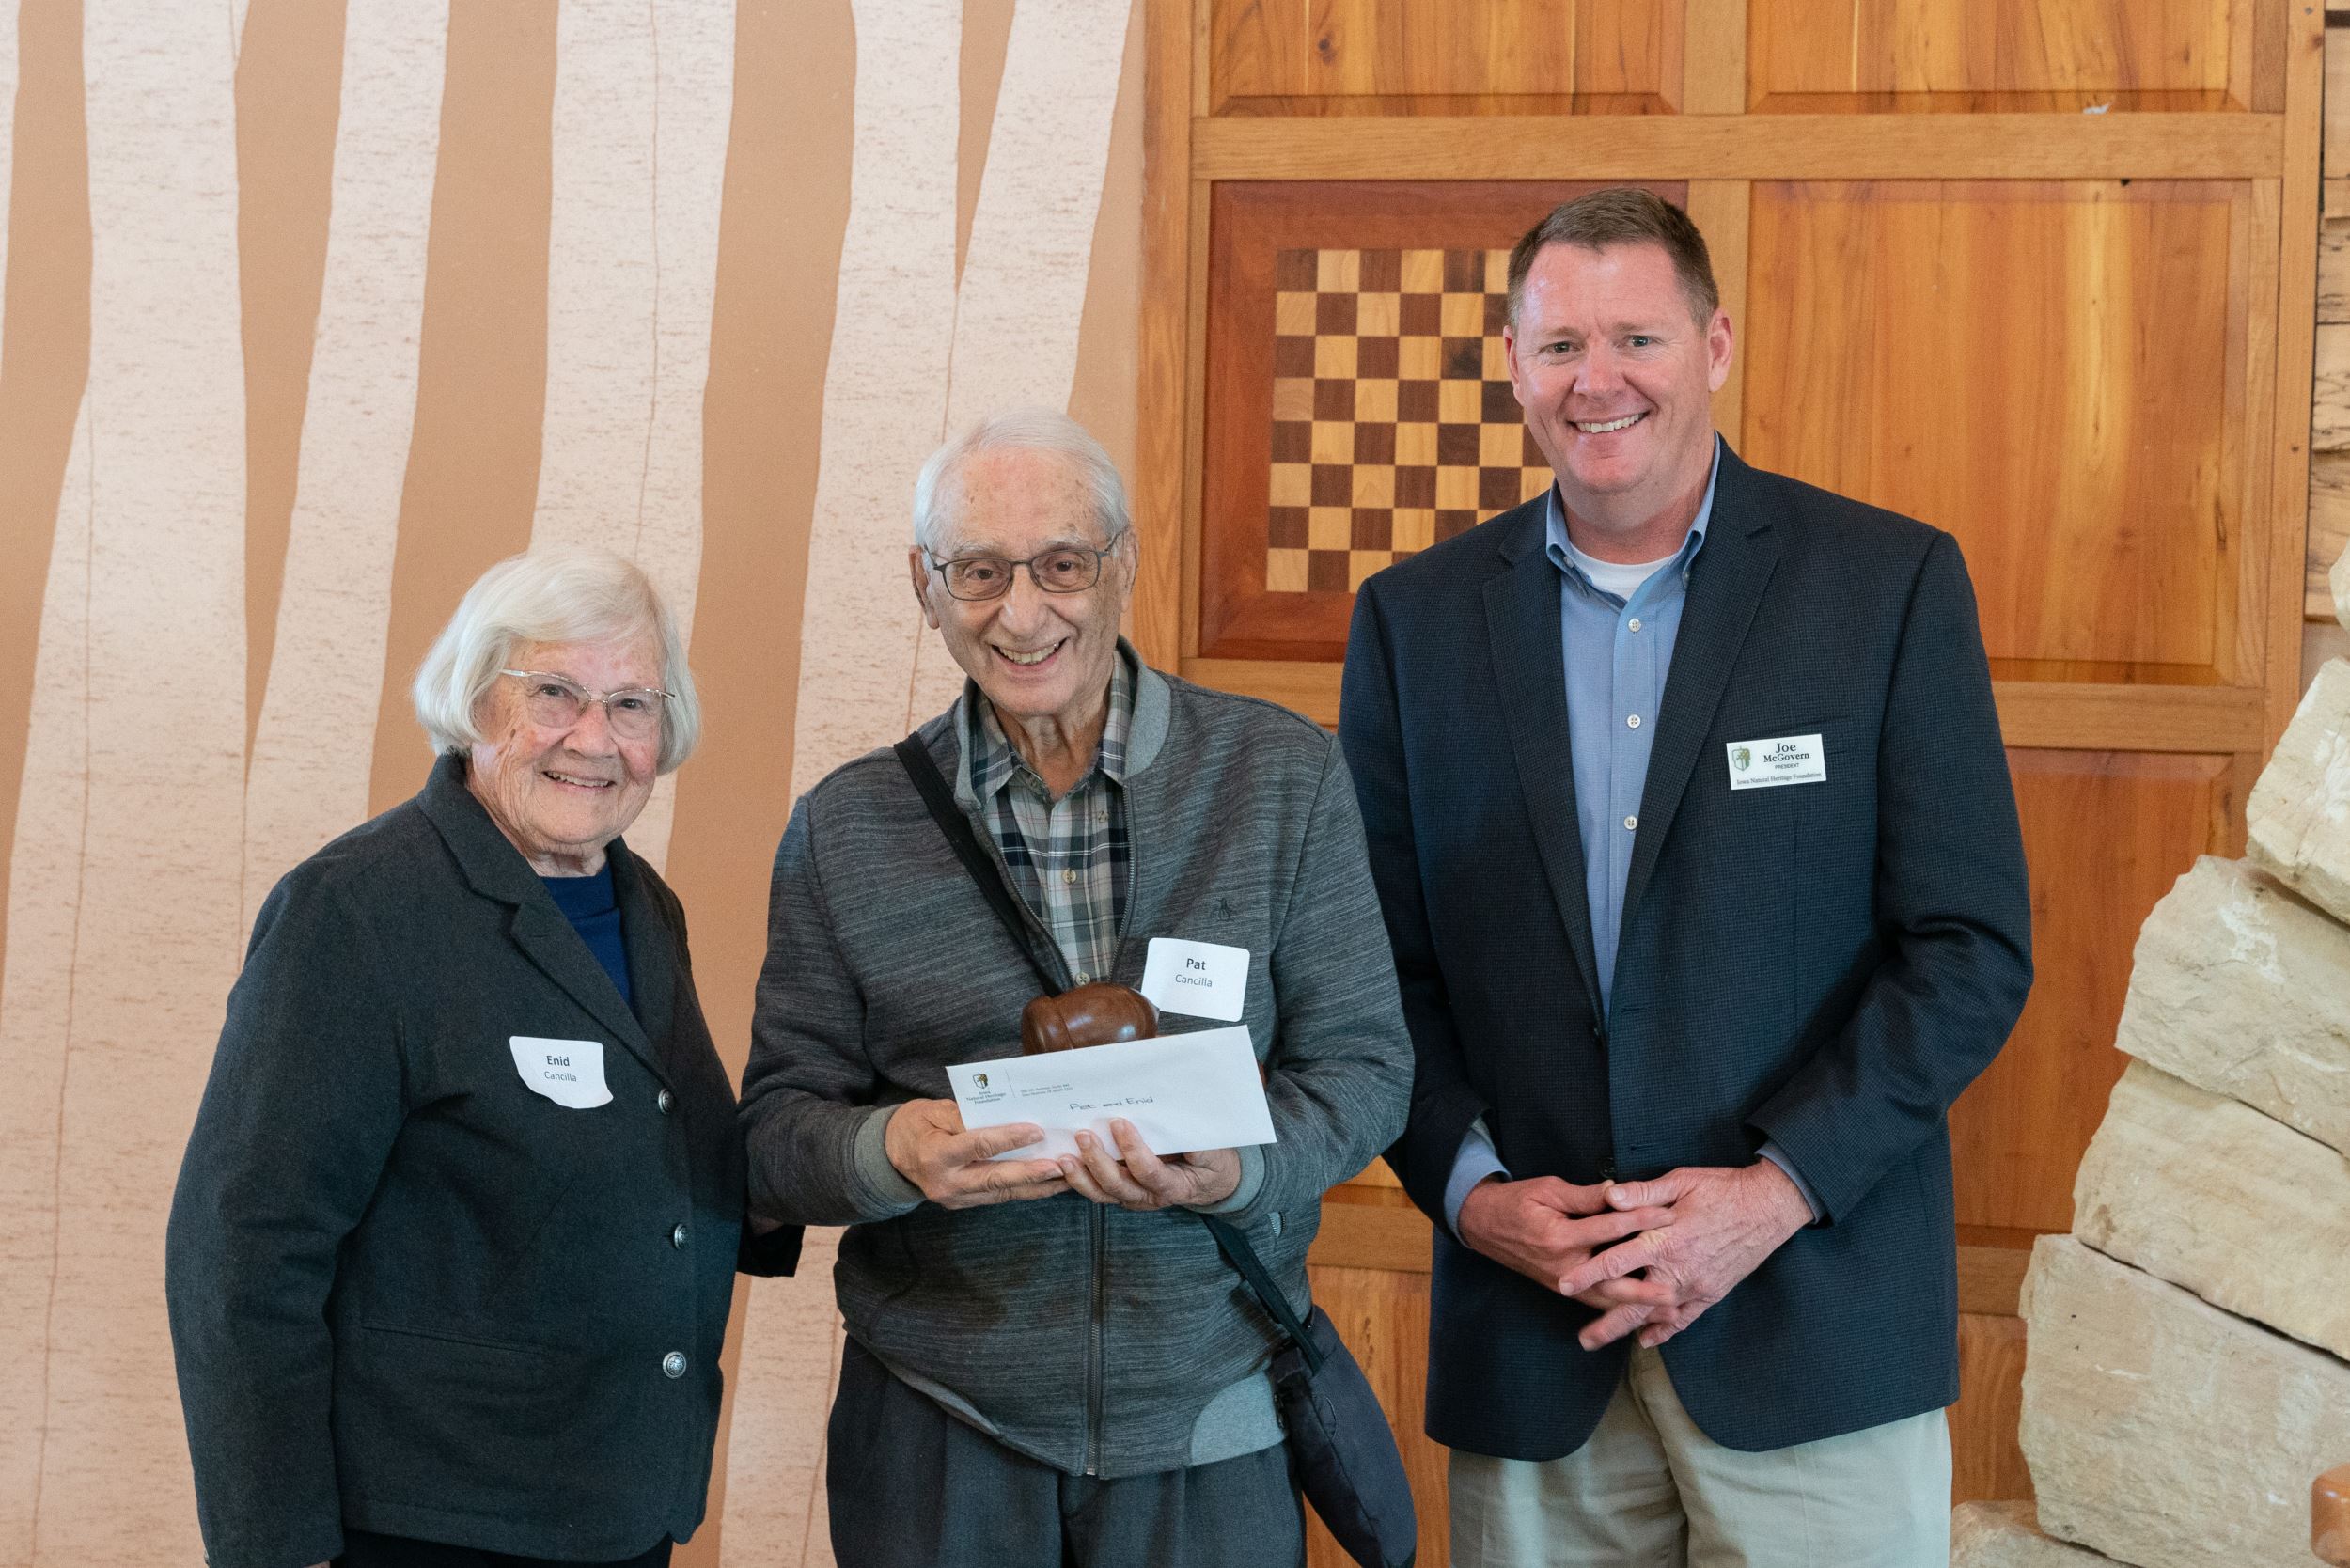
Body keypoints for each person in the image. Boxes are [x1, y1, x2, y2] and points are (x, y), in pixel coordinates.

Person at [1338, 188, 2034, 1566]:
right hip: (1539, 1345)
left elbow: (1968, 948)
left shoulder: (1884, 586)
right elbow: (1370, 969)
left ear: (1715, 346)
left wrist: (1771, 1194)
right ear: (1515, 365)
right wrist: (1473, 1193)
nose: (1598, 381)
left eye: (1638, 338)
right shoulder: (1414, 623)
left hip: (1814, 1333)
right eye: (1559, 346)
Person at [739, 407, 1412, 1568]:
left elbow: (1365, 1068)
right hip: (940, 1425)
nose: (1023, 612)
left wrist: (1237, 1170)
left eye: (1060, 564)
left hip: (1210, 1413)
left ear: (1121, 565)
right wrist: (890, 1152)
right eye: (980, 572)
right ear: (925, 587)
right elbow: (772, 1132)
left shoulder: (1279, 778)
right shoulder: (846, 828)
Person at [166, 547, 801, 1568]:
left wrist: (856, 1143)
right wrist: (273, 1549)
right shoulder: (359, 910)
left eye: (632, 705)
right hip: (430, 1523)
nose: (593, 739)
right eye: (554, 692)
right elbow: (242, 1256)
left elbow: (671, 1152)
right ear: (474, 701)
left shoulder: (642, 908)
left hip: (620, 1504)